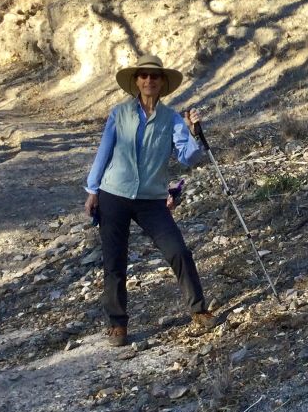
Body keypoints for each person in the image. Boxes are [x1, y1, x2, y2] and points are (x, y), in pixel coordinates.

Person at [84, 54, 213, 345]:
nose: (149, 80)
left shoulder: (172, 119)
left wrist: (193, 133)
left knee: (178, 251)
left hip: (152, 199)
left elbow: (188, 157)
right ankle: (118, 325)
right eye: (143, 75)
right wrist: (93, 191)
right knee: (114, 261)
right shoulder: (119, 113)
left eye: (154, 76)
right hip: (113, 193)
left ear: (162, 82)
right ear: (136, 81)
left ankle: (199, 310)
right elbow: (104, 151)